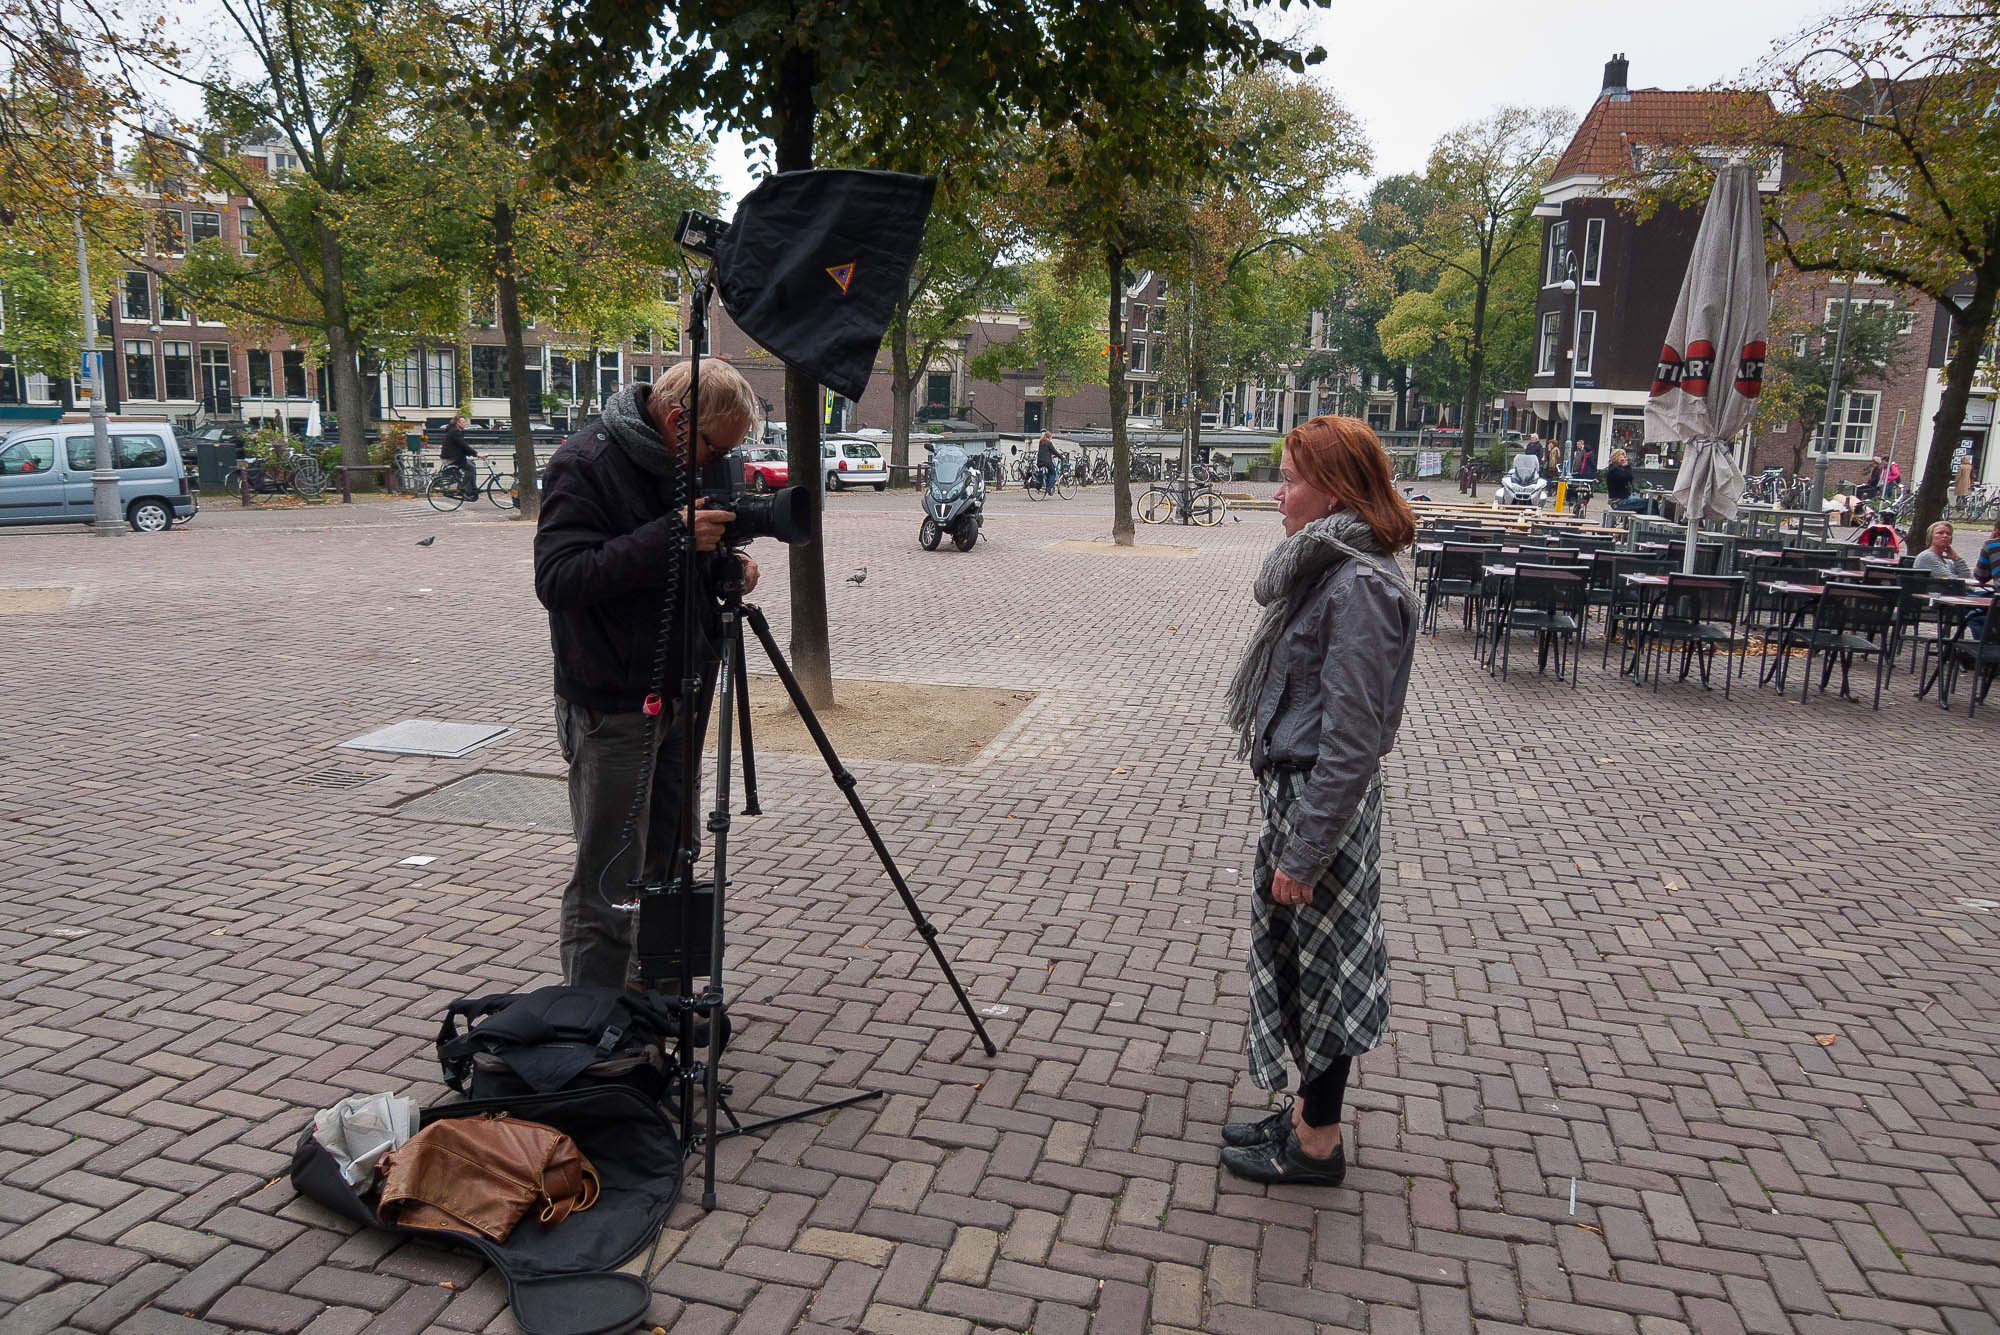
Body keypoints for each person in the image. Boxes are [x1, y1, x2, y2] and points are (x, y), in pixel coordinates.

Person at [1219, 415, 1417, 1188]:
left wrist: (1306, 850)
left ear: (1334, 491)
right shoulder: (1329, 567)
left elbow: (1353, 738)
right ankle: (1305, 1114)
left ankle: (1317, 1143)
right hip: (1299, 798)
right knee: (1302, 964)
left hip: (1321, 806)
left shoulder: (1358, 585)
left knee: (1328, 968)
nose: (1278, 493)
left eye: (1291, 478)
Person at [535, 359, 762, 990]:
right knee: (612, 871)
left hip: (682, 689)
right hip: (613, 703)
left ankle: (659, 997)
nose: (721, 461)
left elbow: (680, 563)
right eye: (717, 448)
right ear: (676, 420)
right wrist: (673, 535)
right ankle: (595, 1026)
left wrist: (729, 565)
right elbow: (559, 579)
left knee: (672, 855)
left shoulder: (689, 460)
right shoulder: (585, 464)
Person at [441, 414, 481, 499]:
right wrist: (476, 454)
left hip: (453, 456)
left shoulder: (454, 430)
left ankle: (472, 488)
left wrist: (471, 453)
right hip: (452, 458)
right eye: (463, 422)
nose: (465, 423)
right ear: (457, 423)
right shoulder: (455, 431)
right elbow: (463, 445)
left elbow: (461, 446)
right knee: (471, 468)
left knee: (472, 464)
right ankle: (463, 489)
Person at [1036, 430, 1057, 495]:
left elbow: (1045, 451)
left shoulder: (1041, 442)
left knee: (1048, 473)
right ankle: (1049, 488)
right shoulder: (1049, 443)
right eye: (1051, 437)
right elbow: (1054, 451)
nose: (1051, 438)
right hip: (1047, 462)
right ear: (1049, 437)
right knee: (1053, 473)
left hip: (1039, 462)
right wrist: (1062, 457)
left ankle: (1045, 485)